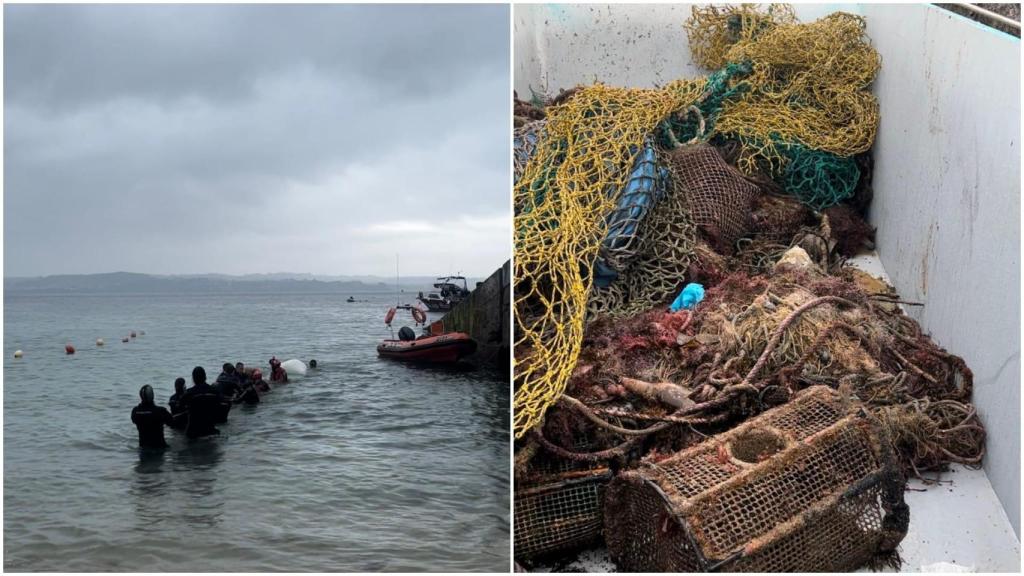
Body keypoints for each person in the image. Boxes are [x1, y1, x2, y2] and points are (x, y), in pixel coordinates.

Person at [180, 366, 224, 439]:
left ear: (193, 379)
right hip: (210, 429)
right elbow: (220, 406)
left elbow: (180, 407)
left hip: (193, 431)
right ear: (205, 377)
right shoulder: (214, 391)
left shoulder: (189, 393)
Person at [131, 385, 174, 449]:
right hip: (160, 447)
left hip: (143, 447)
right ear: (152, 395)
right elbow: (172, 423)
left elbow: (134, 420)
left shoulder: (135, 411)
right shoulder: (160, 411)